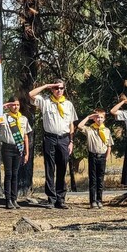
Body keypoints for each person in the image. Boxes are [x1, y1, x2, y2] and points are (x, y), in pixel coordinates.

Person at [29, 79, 77, 208]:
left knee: (62, 168)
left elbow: (71, 124)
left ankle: (60, 199)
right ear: (52, 89)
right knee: (50, 168)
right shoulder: (45, 102)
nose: (59, 91)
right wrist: (46, 85)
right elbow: (31, 95)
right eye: (56, 88)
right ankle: (51, 198)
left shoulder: (68, 104)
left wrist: (71, 141)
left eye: (61, 88)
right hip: (50, 138)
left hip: (64, 139)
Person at [78, 108, 114, 208]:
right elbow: (80, 126)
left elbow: (109, 145)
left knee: (100, 179)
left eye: (101, 117)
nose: (99, 119)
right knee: (93, 179)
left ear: (104, 119)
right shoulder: (90, 129)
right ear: (94, 119)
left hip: (102, 156)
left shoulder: (106, 130)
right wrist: (88, 117)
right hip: (93, 156)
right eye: (97, 117)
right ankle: (92, 201)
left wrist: (107, 156)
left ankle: (99, 200)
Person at [0, 97, 31, 209]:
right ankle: (8, 200)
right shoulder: (4, 117)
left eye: (17, 104)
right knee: (8, 174)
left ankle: (14, 198)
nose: (15, 107)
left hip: (18, 148)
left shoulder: (23, 119)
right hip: (7, 148)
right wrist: (4, 106)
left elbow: (25, 136)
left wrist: (27, 153)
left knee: (15, 174)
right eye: (13, 105)